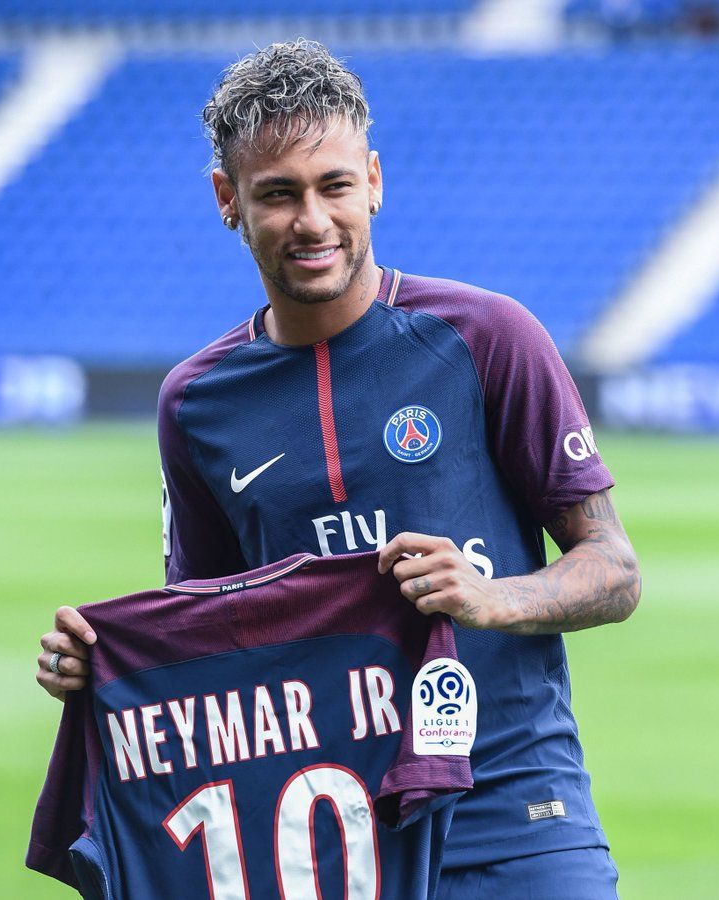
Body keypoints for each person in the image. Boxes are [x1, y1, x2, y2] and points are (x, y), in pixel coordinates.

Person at [37, 39, 640, 899]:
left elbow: (614, 569)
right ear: (228, 200)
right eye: (278, 193)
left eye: (335, 186)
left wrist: (490, 597)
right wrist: (99, 670)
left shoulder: (488, 337)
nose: (313, 221)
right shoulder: (196, 403)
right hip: (327, 846)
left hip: (517, 818)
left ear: (375, 182)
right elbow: (210, 635)